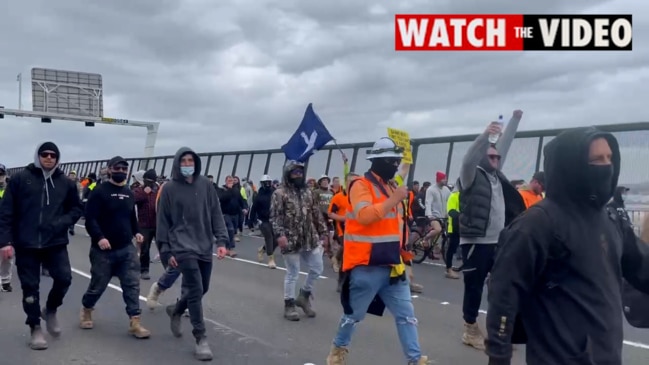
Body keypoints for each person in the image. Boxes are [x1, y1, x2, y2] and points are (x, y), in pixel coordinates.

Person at [485, 127, 649, 365]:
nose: (607, 166)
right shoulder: (538, 223)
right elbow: (504, 293)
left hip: (607, 355)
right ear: (571, 166)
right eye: (596, 160)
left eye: (610, 158)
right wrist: (499, 357)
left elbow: (642, 267)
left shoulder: (611, 219)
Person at [326, 137, 429, 365]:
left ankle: (415, 359)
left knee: (407, 316)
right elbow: (364, 216)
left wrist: (408, 157)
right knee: (354, 316)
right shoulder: (360, 185)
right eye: (392, 161)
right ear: (378, 161)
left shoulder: (391, 185)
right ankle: (338, 349)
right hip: (366, 265)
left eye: (397, 161)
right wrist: (394, 200)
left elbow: (402, 173)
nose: (395, 165)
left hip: (392, 264)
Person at [0, 142, 83, 350]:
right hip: (26, 243)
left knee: (64, 279)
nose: (48, 158)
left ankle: (51, 309)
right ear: (38, 156)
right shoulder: (20, 180)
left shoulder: (66, 183)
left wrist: (61, 223)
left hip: (54, 243)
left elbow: (76, 209)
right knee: (30, 288)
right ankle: (35, 327)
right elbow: (6, 212)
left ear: (57, 158)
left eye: (53, 155)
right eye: (44, 154)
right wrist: (5, 242)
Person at [457, 111, 526, 350]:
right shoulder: (470, 177)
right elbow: (468, 159)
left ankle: (498, 328)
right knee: (474, 287)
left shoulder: (498, 177)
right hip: (476, 241)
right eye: (492, 156)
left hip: (498, 241)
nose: (497, 159)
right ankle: (470, 328)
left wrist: (515, 121)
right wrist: (486, 135)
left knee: (503, 284)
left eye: (498, 157)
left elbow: (503, 147)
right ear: (483, 158)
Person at [157, 147, 229, 361]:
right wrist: (165, 249)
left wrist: (222, 240)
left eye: (191, 161)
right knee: (195, 288)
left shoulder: (206, 185)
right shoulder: (169, 188)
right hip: (181, 245)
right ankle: (201, 338)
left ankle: (177, 309)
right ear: (177, 164)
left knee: (203, 287)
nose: (188, 164)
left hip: (204, 244)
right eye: (184, 161)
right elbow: (163, 220)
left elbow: (216, 212)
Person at [80, 156, 150, 339]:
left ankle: (135, 322)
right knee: (98, 285)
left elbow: (131, 217)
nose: (121, 172)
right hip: (102, 250)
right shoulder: (99, 192)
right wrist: (100, 237)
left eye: (124, 169)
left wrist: (137, 232)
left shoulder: (129, 193)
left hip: (126, 248)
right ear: (109, 170)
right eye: (117, 168)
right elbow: (91, 219)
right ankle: (87, 309)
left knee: (132, 285)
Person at [270, 160, 328, 322]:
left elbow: (316, 213)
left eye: (300, 172)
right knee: (292, 273)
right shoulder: (280, 193)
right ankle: (289, 304)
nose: (298, 175)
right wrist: (280, 235)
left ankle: (304, 295)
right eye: (295, 172)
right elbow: (275, 216)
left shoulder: (308, 192)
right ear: (288, 174)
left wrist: (323, 232)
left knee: (317, 268)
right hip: (290, 238)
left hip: (309, 237)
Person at [132, 169, 159, 280]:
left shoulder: (158, 191)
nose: (149, 183)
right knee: (144, 249)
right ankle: (144, 270)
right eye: (147, 180)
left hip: (157, 224)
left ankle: (170, 270)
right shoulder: (138, 190)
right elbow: (133, 199)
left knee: (165, 247)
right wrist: (145, 193)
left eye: (151, 181)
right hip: (144, 225)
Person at [252, 175, 278, 268]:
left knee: (276, 240)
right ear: (262, 184)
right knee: (269, 237)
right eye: (266, 183)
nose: (268, 184)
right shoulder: (259, 195)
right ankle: (271, 259)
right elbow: (253, 209)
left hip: (274, 219)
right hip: (262, 220)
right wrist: (251, 222)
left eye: (269, 182)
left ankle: (262, 250)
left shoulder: (274, 193)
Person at [0, 163, 13, 292]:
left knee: (7, 258)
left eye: (1, 174)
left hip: (6, 228)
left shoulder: (10, 190)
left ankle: (6, 281)